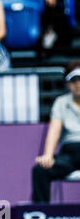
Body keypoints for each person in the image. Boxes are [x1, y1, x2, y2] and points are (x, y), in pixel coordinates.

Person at [32, 61, 80, 203]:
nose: (78, 84)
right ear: (68, 84)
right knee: (40, 171)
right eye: (74, 80)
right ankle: (41, 215)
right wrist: (48, 155)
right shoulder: (61, 102)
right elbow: (54, 130)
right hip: (70, 154)